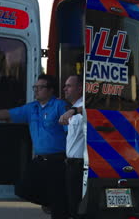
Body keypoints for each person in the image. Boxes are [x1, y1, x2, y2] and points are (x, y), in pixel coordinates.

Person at [0, 74, 69, 219]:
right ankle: (54, 203)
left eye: (40, 87)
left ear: (51, 90)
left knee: (58, 210)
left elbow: (70, 132)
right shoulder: (31, 108)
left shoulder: (60, 106)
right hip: (39, 160)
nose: (36, 90)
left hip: (58, 161)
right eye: (34, 88)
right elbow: (7, 114)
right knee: (22, 189)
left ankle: (58, 206)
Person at [59, 74, 84, 219]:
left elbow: (89, 108)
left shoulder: (82, 106)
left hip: (79, 164)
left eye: (69, 86)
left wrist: (73, 111)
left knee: (77, 209)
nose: (65, 89)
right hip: (71, 164)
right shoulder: (74, 108)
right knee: (72, 207)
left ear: (80, 88)